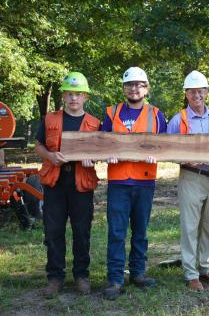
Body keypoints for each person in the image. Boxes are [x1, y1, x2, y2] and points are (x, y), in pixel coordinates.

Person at [101, 67, 167, 300]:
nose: (134, 88)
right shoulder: (111, 112)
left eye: (139, 84)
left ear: (146, 88)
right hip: (119, 180)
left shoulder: (156, 114)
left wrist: (157, 154)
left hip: (144, 180)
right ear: (124, 88)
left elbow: (164, 145)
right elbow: (102, 142)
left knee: (140, 230)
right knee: (117, 231)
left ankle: (138, 273)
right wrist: (107, 153)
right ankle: (115, 278)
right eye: (130, 84)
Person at [35, 72, 100, 297]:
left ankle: (81, 276)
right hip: (55, 183)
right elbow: (38, 145)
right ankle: (55, 278)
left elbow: (100, 152)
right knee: (53, 231)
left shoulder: (94, 123)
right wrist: (50, 157)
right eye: (70, 94)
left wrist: (92, 158)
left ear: (85, 97)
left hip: (81, 183)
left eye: (78, 94)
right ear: (64, 96)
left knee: (82, 231)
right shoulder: (50, 119)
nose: (74, 98)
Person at [167, 70, 209, 291]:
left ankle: (205, 267)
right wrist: (187, 160)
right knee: (190, 226)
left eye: (200, 91)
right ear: (186, 94)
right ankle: (191, 274)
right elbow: (167, 150)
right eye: (192, 91)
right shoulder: (178, 120)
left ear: (207, 92)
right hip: (191, 178)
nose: (197, 95)